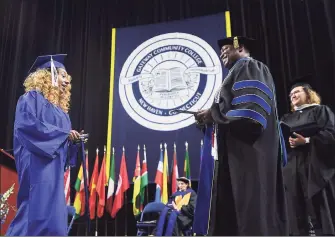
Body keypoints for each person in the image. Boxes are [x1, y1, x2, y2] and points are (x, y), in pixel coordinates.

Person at [194, 36, 288, 235]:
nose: (222, 54)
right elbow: (230, 112)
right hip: (236, 151)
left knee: (251, 211)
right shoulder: (236, 73)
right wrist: (210, 118)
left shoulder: (250, 67)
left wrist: (212, 114)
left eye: (225, 49)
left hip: (250, 151)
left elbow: (250, 113)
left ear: (241, 47)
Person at [6, 54, 83, 236]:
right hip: (37, 162)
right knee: (36, 211)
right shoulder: (31, 98)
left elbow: (62, 144)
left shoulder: (62, 112)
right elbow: (27, 127)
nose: (66, 81)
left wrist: (72, 141)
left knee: (53, 215)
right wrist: (63, 135)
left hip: (53, 166)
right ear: (48, 76)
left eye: (67, 78)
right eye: (62, 76)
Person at [281, 75, 335, 235]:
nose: (293, 96)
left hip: (315, 164)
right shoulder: (286, 118)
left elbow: (332, 134)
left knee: (319, 206)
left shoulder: (320, 111)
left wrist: (307, 140)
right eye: (291, 95)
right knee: (295, 209)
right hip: (291, 167)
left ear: (308, 93)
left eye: (297, 91)